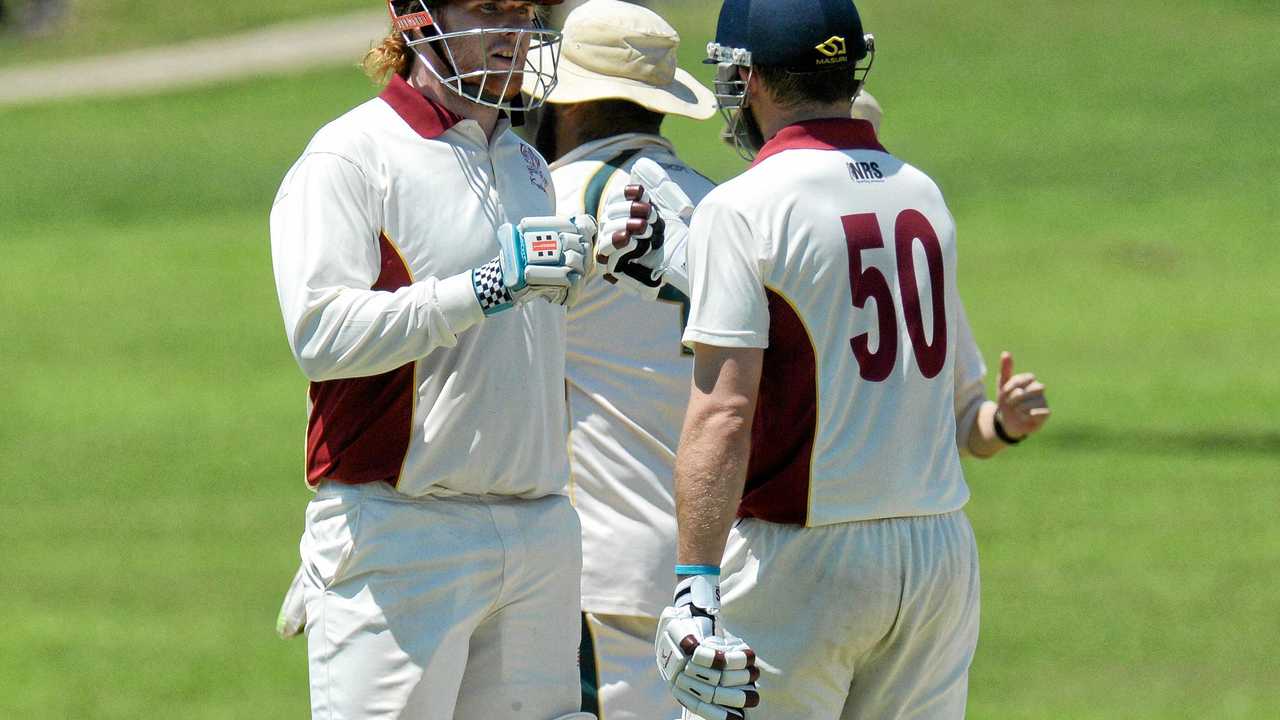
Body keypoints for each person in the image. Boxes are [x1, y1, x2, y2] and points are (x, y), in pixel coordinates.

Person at [597, 0, 1050, 718]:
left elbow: (725, 411)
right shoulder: (921, 193)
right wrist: (677, 265)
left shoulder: (744, 206)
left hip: (800, 554)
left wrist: (693, 583)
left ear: (747, 78)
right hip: (936, 551)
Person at [268, 1, 600, 718]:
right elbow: (321, 334)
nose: (517, 31)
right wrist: (481, 289)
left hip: (538, 524)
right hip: (406, 532)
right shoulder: (352, 154)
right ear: (419, 17)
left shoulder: (528, 162)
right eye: (489, 9)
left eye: (528, 11)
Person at [521, 2, 718, 717]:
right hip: (716, 571)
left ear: (566, 104)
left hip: (603, 576)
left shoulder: (552, 203)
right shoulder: (722, 204)